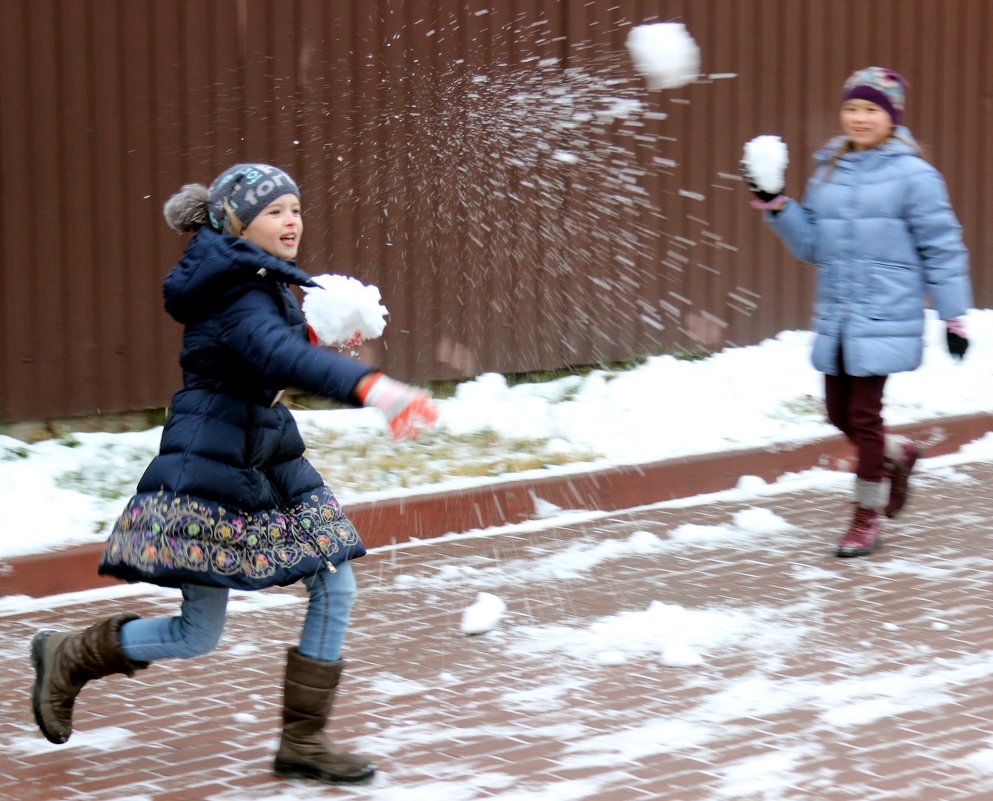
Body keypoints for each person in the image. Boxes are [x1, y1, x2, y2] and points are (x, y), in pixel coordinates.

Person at [29, 163, 438, 785]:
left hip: (264, 451)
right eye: (274, 211)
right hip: (211, 459)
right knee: (198, 633)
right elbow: (274, 354)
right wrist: (370, 385)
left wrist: (321, 337)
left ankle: (304, 741)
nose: (291, 220)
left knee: (334, 584)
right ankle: (69, 654)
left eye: (295, 207)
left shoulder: (251, 278)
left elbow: (272, 354)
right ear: (237, 222)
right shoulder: (235, 289)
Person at [744, 67, 972, 557]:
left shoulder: (915, 176)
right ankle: (899, 453)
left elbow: (943, 247)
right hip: (840, 316)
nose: (860, 117)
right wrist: (776, 203)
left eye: (872, 109)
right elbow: (812, 244)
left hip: (887, 314)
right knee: (837, 412)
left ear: (892, 116)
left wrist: (953, 316)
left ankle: (866, 517)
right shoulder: (829, 169)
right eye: (853, 107)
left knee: (865, 417)